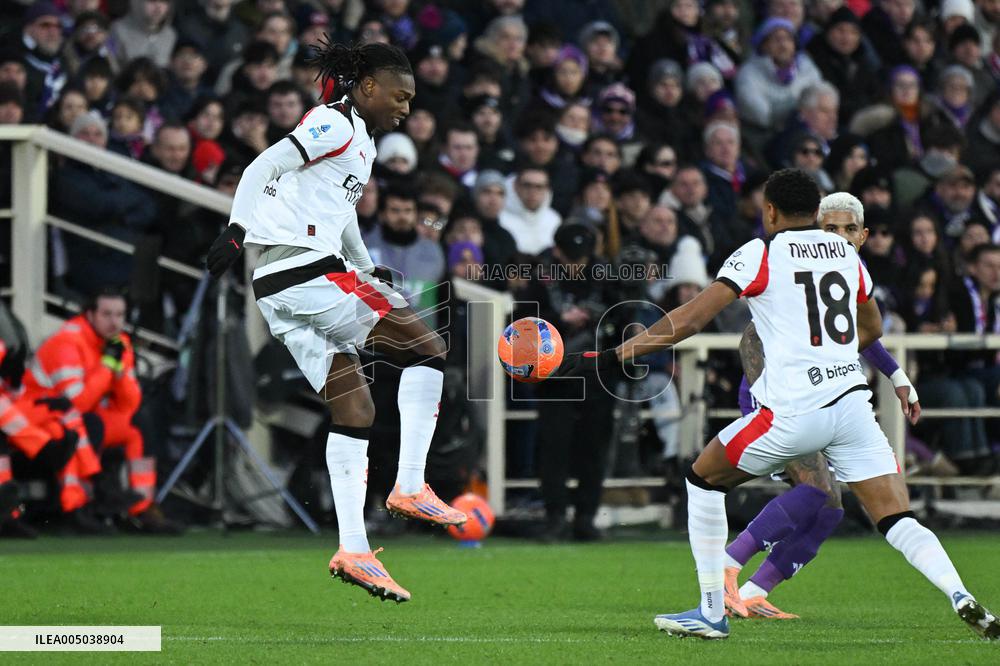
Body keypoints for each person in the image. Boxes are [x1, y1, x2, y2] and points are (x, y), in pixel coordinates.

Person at [556, 169, 999, 640]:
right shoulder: (848, 256)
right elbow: (871, 329)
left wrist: (611, 355)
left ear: (770, 210)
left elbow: (690, 319)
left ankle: (711, 611)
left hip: (792, 413)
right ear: (817, 211)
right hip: (852, 408)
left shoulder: (760, 252)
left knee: (702, 479)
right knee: (896, 517)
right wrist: (832, 356)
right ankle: (961, 595)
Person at [205, 41, 466, 604]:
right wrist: (235, 228)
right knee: (429, 347)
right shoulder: (334, 121)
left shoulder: (361, 139)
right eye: (400, 95)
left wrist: (368, 266)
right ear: (367, 86)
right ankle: (410, 483)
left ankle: (353, 548)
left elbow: (337, 211)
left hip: (288, 284)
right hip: (304, 270)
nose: (406, 108)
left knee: (356, 408)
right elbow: (265, 164)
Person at [723, 192, 921, 619]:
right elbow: (754, 343)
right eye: (831, 228)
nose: (841, 237)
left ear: (863, 236)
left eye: (850, 230)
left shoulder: (847, 274)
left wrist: (897, 375)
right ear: (813, 229)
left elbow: (859, 335)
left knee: (830, 509)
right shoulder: (790, 265)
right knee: (818, 491)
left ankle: (755, 592)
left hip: (824, 403)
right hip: (778, 400)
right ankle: (727, 571)